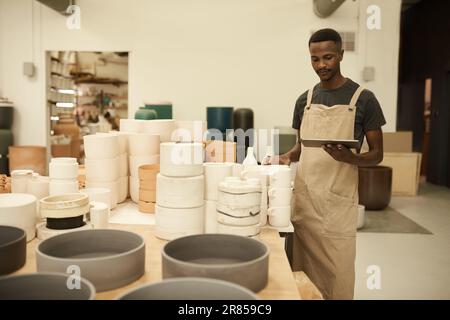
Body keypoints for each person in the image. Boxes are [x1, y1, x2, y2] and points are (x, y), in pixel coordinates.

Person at [271, 28, 386, 299]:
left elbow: (378, 154)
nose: (321, 65)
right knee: (302, 272)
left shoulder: (363, 99)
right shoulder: (305, 100)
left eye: (328, 57)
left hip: (337, 206)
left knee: (338, 274)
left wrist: (352, 158)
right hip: (306, 202)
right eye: (315, 59)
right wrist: (287, 156)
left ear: (341, 55)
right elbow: (304, 146)